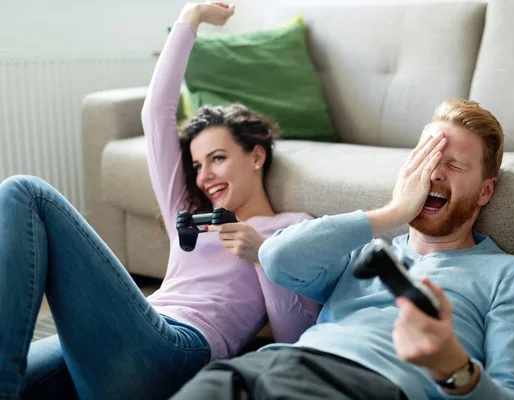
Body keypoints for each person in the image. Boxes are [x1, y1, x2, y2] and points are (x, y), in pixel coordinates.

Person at [0, 3, 320, 399]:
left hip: (177, 348)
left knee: (25, 192)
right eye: (198, 164)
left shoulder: (292, 227)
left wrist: (262, 254)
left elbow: (294, 340)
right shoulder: (187, 212)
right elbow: (156, 113)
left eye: (218, 158)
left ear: (256, 155)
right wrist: (191, 17)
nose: (205, 175)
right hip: (131, 333)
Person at [172, 100, 514, 400]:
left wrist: (452, 368)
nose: (434, 174)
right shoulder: (362, 251)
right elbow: (276, 256)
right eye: (427, 160)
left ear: (486, 191)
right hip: (264, 367)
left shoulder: (511, 275)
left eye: (453, 164)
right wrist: (394, 212)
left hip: (365, 385)